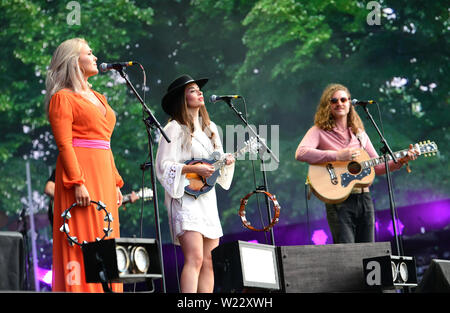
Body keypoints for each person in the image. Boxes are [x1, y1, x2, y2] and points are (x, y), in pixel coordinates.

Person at [45, 38, 124, 292]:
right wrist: (77, 182)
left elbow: (105, 142)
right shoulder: (62, 98)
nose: (96, 57)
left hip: (103, 172)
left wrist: (115, 182)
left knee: (107, 237)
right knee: (84, 241)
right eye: (89, 53)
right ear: (73, 61)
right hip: (81, 175)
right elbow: (65, 144)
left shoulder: (99, 96)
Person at [295, 83, 418, 244]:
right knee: (348, 254)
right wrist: (338, 155)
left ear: (350, 103)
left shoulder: (360, 134)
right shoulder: (318, 131)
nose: (339, 103)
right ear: (328, 106)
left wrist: (401, 161)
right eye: (334, 101)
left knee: (369, 252)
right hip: (337, 200)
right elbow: (301, 153)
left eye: (343, 99)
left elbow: (377, 167)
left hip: (364, 198)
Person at [156, 74, 235, 293]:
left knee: (210, 261)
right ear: (182, 98)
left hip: (207, 198)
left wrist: (226, 161)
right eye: (192, 90)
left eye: (199, 89)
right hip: (184, 198)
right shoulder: (173, 128)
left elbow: (215, 165)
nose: (200, 92)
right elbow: (163, 165)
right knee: (195, 258)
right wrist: (192, 169)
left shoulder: (211, 129)